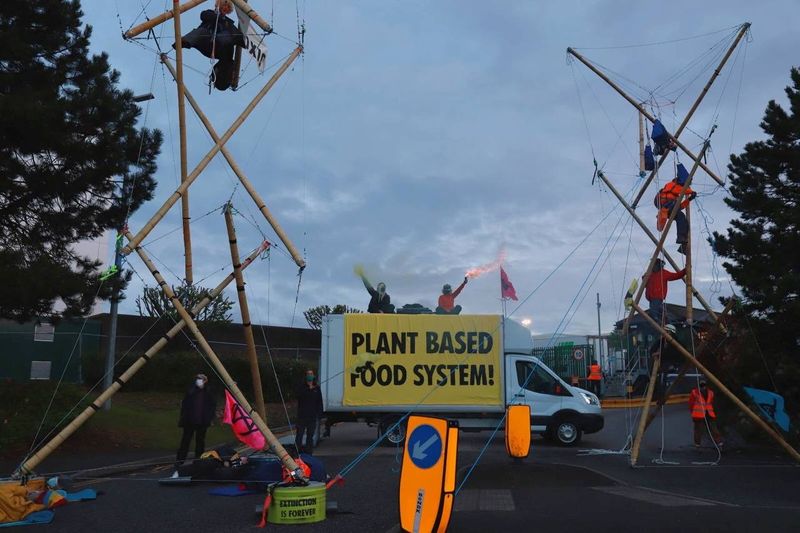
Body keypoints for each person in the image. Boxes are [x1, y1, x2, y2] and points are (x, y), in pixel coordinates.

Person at [175, 373, 216, 475]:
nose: (199, 380)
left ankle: (198, 461)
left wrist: (210, 418)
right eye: (198, 378)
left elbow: (212, 405)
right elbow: (185, 404)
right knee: (185, 441)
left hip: (202, 421)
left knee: (200, 442)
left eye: (201, 379)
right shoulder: (191, 390)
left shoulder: (208, 391)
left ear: (205, 381)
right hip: (190, 420)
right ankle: (179, 461)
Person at [655, 165, 697, 255]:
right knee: (681, 217)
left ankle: (683, 243)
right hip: (667, 207)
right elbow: (679, 189)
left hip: (671, 208)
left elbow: (680, 207)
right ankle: (681, 239)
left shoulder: (675, 196)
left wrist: (689, 199)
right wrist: (690, 191)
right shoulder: (671, 185)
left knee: (683, 221)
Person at [644, 259, 686, 325]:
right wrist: (644, 278)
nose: (653, 267)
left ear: (658, 265)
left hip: (657, 297)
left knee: (653, 313)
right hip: (651, 298)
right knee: (660, 311)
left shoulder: (663, 273)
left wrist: (685, 271)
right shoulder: (650, 274)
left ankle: (659, 323)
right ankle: (667, 322)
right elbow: (645, 285)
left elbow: (676, 276)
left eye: (654, 265)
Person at [295, 369, 323, 454]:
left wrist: (319, 414)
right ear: (306, 376)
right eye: (308, 374)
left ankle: (309, 452)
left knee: (310, 435)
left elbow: (319, 402)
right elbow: (299, 396)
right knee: (299, 435)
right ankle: (297, 452)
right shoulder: (302, 387)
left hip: (312, 416)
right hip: (302, 416)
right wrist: (308, 389)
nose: (310, 375)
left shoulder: (317, 388)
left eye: (311, 374)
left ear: (313, 376)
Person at [688, 381, 723, 448]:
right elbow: (691, 403)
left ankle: (719, 443)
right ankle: (697, 444)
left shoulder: (710, 393)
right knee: (699, 430)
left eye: (703, 385)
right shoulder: (695, 392)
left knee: (714, 429)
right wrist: (693, 413)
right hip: (699, 414)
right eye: (701, 386)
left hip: (709, 414)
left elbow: (711, 402)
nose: (703, 387)